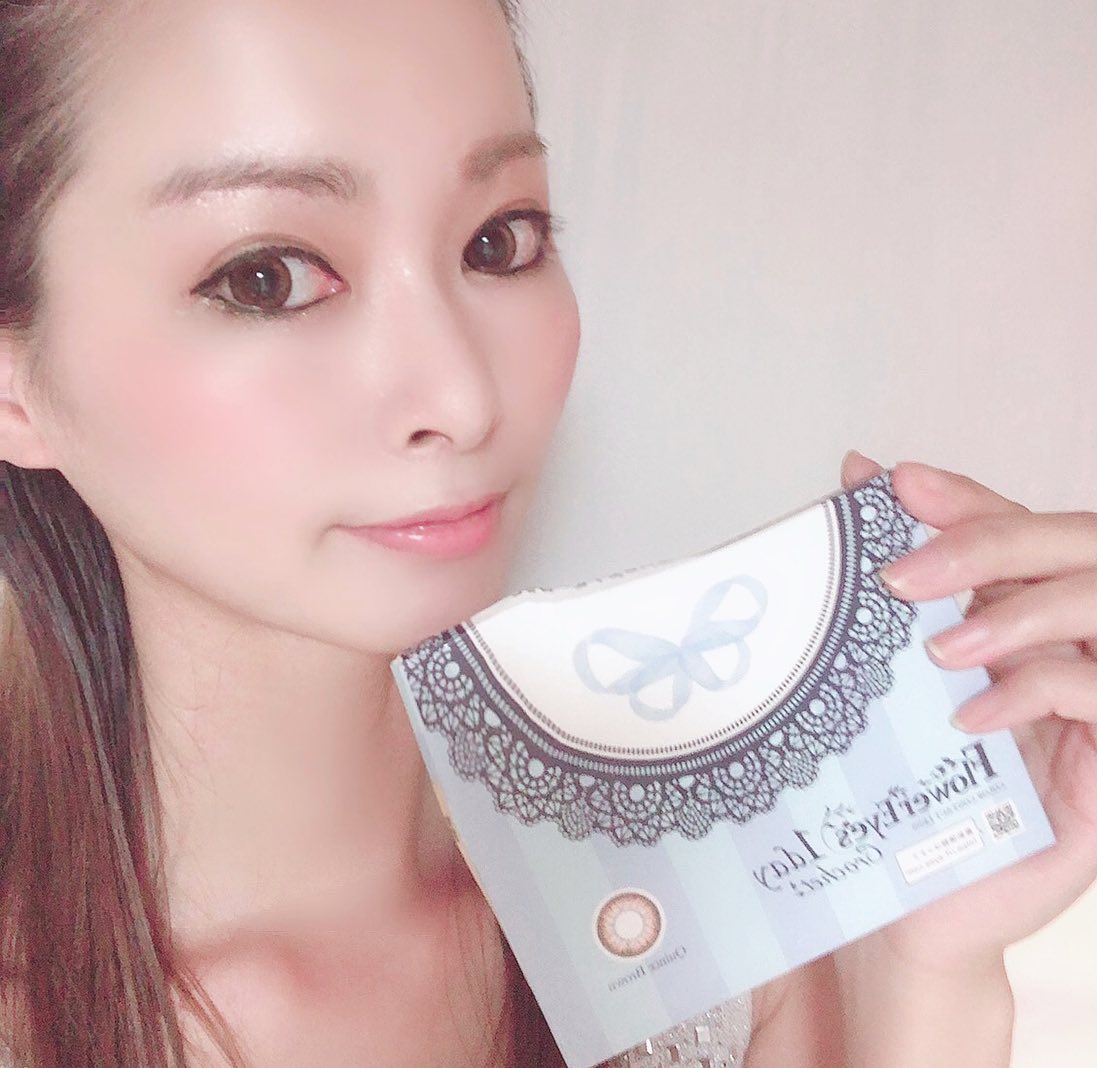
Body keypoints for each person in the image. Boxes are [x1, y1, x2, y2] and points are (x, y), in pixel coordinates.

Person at [0, 1, 1093, 1065]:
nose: (462, 396)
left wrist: (921, 972)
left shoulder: (723, 942)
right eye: (266, 279)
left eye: (496, 241)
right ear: (15, 384)